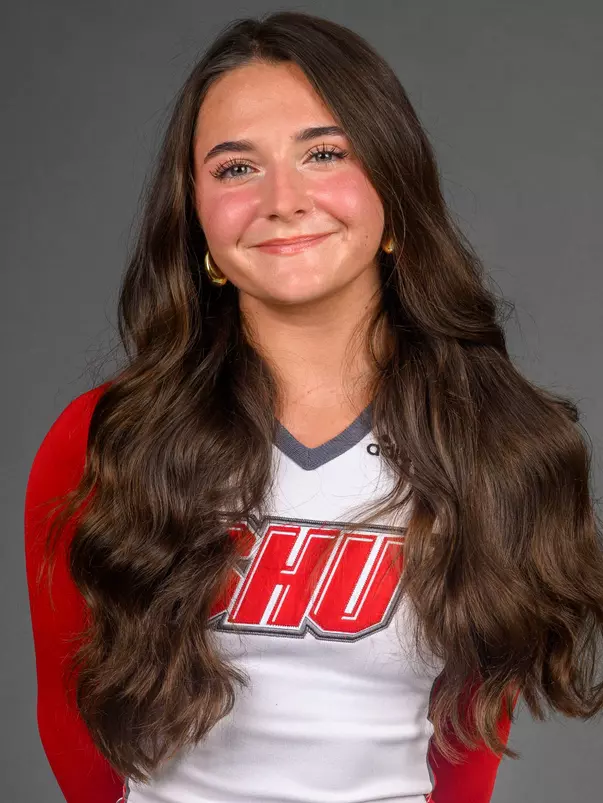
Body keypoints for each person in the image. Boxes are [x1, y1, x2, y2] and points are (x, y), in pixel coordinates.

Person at [24, 10, 603, 803]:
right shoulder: (106, 437)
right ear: (196, 216)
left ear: (393, 191)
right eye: (234, 169)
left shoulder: (494, 443)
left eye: (323, 153)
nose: (282, 199)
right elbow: (70, 710)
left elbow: (468, 740)